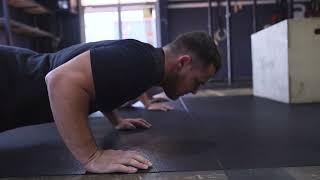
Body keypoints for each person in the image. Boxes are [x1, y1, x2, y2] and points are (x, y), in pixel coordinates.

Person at [0, 31, 221, 173]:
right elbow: (59, 81)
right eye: (197, 82)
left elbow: (101, 83)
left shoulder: (146, 62)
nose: (194, 91)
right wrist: (92, 156)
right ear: (183, 63)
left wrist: (117, 119)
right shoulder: (142, 63)